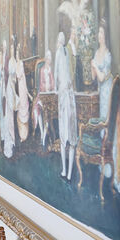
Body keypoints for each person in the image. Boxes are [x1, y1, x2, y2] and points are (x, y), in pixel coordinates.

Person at [55, 31, 78, 180]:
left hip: (66, 97)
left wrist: (59, 88)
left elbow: (58, 73)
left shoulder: (62, 52)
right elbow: (61, 73)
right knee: (68, 138)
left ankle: (66, 171)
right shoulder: (63, 52)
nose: (61, 40)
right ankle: (66, 172)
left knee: (66, 137)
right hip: (67, 95)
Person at [91, 21, 113, 123]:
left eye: (102, 33)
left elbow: (102, 78)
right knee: (101, 118)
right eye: (99, 32)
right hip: (100, 90)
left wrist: (94, 65)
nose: (100, 35)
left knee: (105, 118)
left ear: (105, 36)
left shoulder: (107, 55)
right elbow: (93, 77)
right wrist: (92, 67)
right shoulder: (96, 53)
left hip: (107, 90)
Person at [15, 43, 30, 143]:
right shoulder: (18, 64)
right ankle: (22, 134)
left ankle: (25, 134)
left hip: (22, 87)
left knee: (24, 105)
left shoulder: (20, 63)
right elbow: (18, 75)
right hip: (20, 87)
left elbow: (20, 76)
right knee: (21, 107)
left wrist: (28, 94)